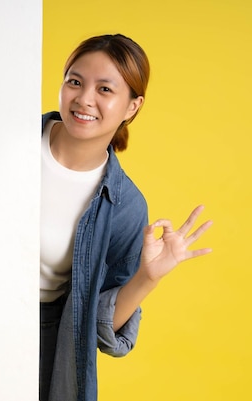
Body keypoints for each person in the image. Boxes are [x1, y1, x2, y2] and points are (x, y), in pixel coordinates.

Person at [40, 34, 213, 401]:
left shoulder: (126, 207)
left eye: (105, 89)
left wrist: (148, 277)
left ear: (132, 107)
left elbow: (98, 328)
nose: (84, 99)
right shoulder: (7, 142)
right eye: (75, 81)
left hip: (40, 344)